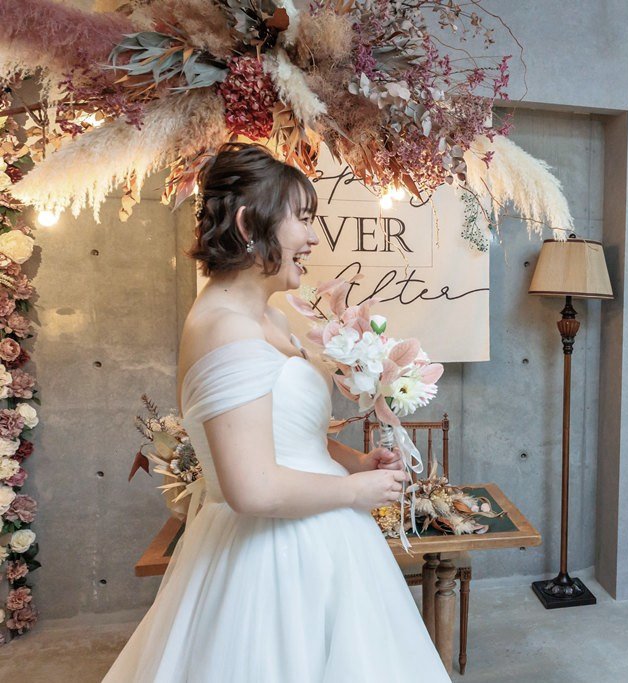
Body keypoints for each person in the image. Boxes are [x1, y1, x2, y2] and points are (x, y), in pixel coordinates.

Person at [105, 143, 450, 682]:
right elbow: (252, 490)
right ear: (248, 224)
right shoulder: (224, 329)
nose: (313, 238)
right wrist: (354, 492)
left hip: (321, 535)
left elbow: (286, 434)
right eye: (303, 220)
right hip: (270, 556)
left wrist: (355, 462)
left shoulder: (269, 318)